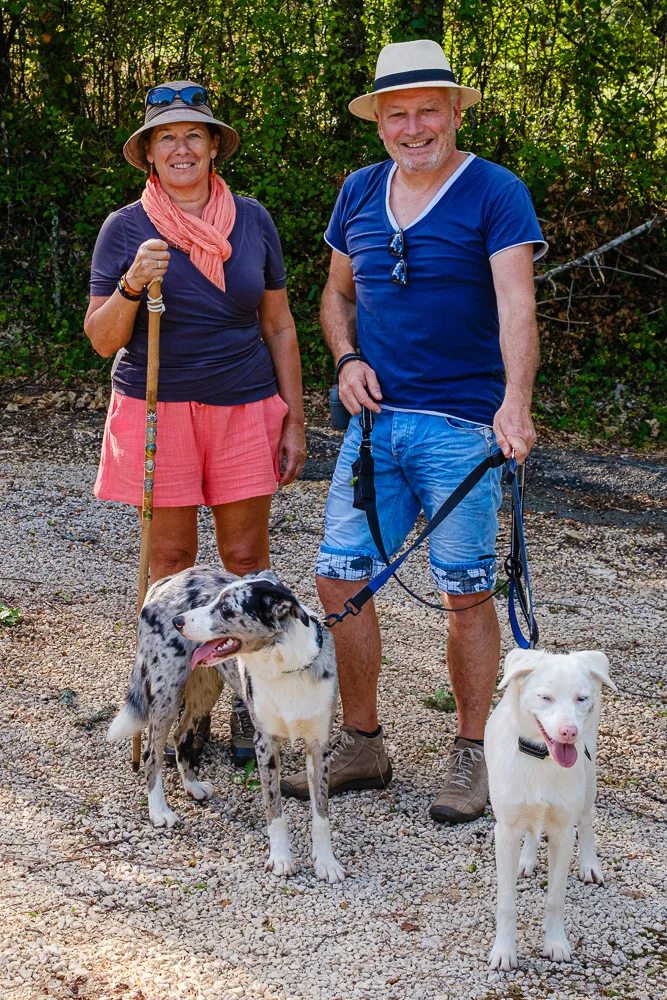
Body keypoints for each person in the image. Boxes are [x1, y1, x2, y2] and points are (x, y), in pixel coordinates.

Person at [281, 41, 546, 823]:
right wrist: (346, 358)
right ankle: (362, 741)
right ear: (378, 123)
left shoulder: (494, 191)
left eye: (429, 108)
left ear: (455, 111)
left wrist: (515, 404)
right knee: (338, 577)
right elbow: (334, 298)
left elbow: (515, 307)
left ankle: (475, 753)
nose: (413, 125)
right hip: (373, 426)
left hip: (462, 428)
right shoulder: (359, 193)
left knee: (463, 590)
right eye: (397, 113)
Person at [85, 81, 306, 766]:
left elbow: (278, 322)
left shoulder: (254, 220)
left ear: (213, 147)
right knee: (172, 566)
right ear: (149, 154)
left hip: (244, 404)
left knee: (245, 563)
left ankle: (249, 702)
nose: (181, 147)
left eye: (193, 135)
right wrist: (130, 285)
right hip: (159, 407)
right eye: (166, 137)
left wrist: (294, 415)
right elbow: (100, 339)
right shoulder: (125, 228)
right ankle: (180, 702)